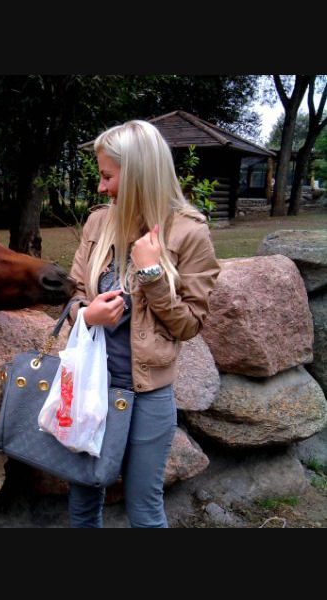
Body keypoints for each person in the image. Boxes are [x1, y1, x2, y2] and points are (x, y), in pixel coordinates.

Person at [66, 120, 221, 528]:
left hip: (147, 396)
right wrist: (86, 315)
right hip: (90, 386)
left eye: (107, 176)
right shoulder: (98, 223)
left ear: (137, 175)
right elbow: (73, 295)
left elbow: (189, 325)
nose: (101, 187)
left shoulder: (189, 233)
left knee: (144, 510)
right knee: (83, 503)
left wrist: (152, 276)